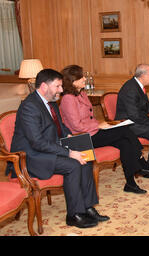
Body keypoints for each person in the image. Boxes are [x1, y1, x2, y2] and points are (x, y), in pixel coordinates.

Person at [8, 69, 108, 229]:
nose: (61, 90)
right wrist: (69, 152)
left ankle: (87, 207)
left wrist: (68, 137)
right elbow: (37, 142)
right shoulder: (29, 107)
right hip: (31, 157)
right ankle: (74, 215)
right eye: (58, 86)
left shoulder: (51, 102)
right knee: (73, 164)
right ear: (43, 87)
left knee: (85, 158)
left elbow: (60, 127)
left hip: (48, 148)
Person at [59, 65, 149, 195]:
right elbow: (76, 125)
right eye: (81, 77)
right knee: (124, 131)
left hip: (93, 132)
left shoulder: (82, 94)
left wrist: (102, 124)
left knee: (125, 143)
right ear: (73, 81)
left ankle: (130, 183)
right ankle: (142, 162)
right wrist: (98, 126)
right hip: (82, 138)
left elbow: (90, 118)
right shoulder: (67, 99)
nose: (84, 78)